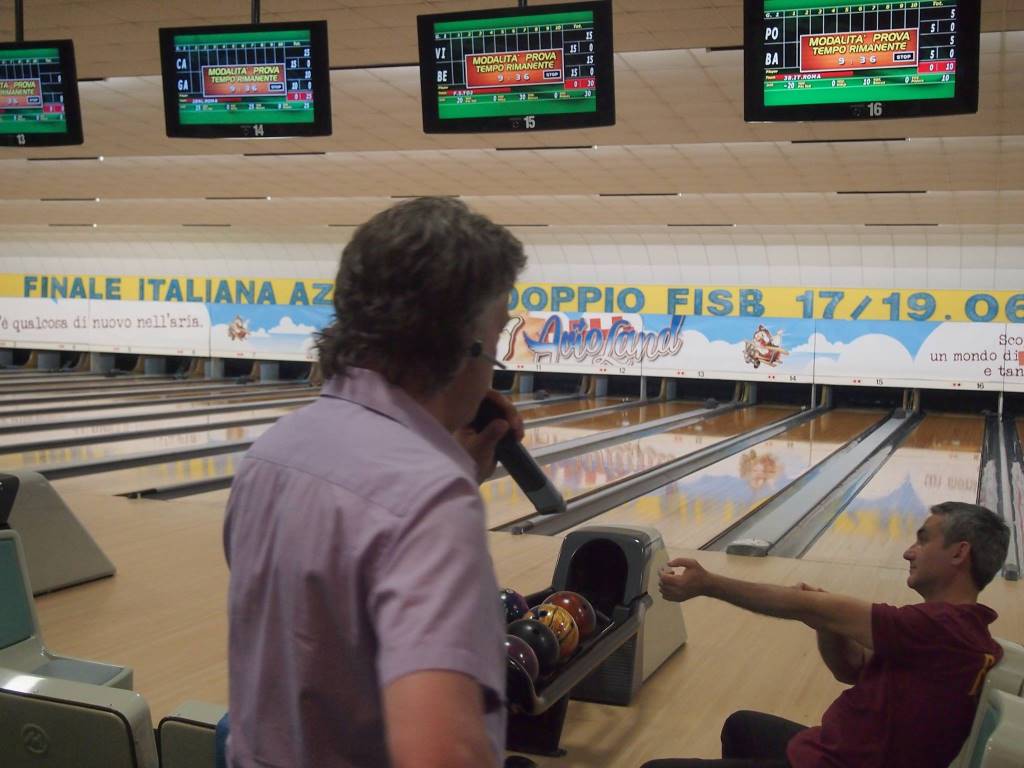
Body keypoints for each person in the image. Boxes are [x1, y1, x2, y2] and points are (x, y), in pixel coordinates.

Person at [223, 197, 527, 768]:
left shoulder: (270, 454)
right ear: (464, 347)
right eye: (498, 335)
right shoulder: (430, 501)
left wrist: (449, 465)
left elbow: (328, 628)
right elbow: (440, 755)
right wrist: (440, 488)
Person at [644, 501, 1011, 768]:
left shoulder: (940, 628)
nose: (908, 552)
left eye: (923, 540)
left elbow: (806, 607)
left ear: (959, 553)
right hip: (841, 750)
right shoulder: (962, 631)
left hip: (838, 764)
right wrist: (827, 624)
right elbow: (850, 668)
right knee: (742, 727)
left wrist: (708, 583)